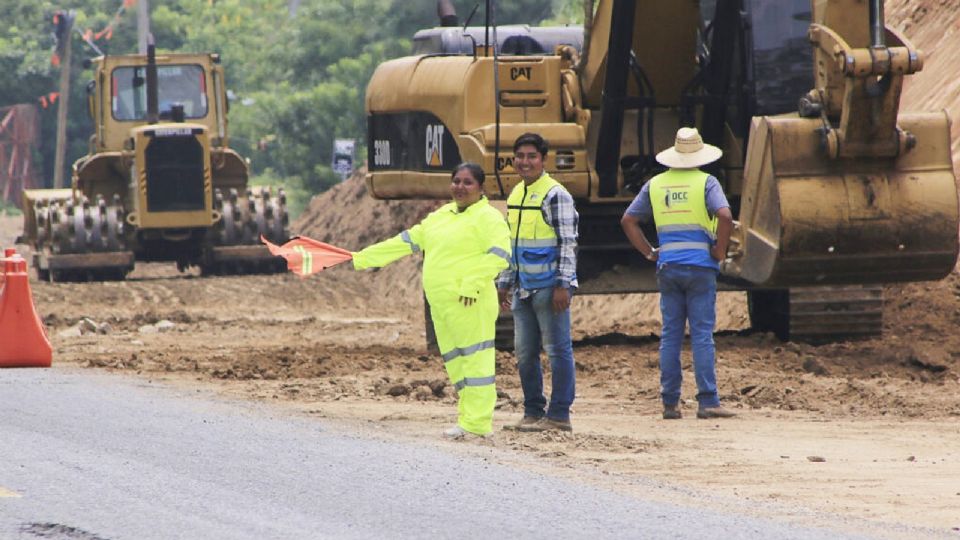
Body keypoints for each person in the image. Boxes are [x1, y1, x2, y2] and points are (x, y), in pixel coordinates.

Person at [352, 163, 512, 439]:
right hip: (442, 306)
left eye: (467, 182)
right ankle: (468, 420)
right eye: (456, 181)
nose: (460, 187)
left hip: (469, 303)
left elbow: (500, 255)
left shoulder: (489, 217)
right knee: (457, 364)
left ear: (481, 188)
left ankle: (477, 424)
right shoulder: (441, 216)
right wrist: (360, 258)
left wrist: (471, 283)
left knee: (476, 365)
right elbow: (405, 241)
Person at [620, 127, 736, 420]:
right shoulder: (707, 182)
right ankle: (708, 401)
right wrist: (720, 250)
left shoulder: (655, 184)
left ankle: (670, 403)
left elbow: (629, 220)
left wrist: (649, 252)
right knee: (701, 335)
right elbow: (724, 216)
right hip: (700, 267)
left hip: (668, 266)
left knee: (671, 335)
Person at [497, 133, 578, 432]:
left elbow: (568, 243)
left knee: (558, 350)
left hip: (549, 288)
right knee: (525, 352)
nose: (524, 162)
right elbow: (511, 242)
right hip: (523, 288)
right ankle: (532, 411)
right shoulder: (516, 193)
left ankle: (559, 415)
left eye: (531, 156)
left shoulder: (555, 194)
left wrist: (563, 285)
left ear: (543, 160)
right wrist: (505, 281)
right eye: (520, 156)